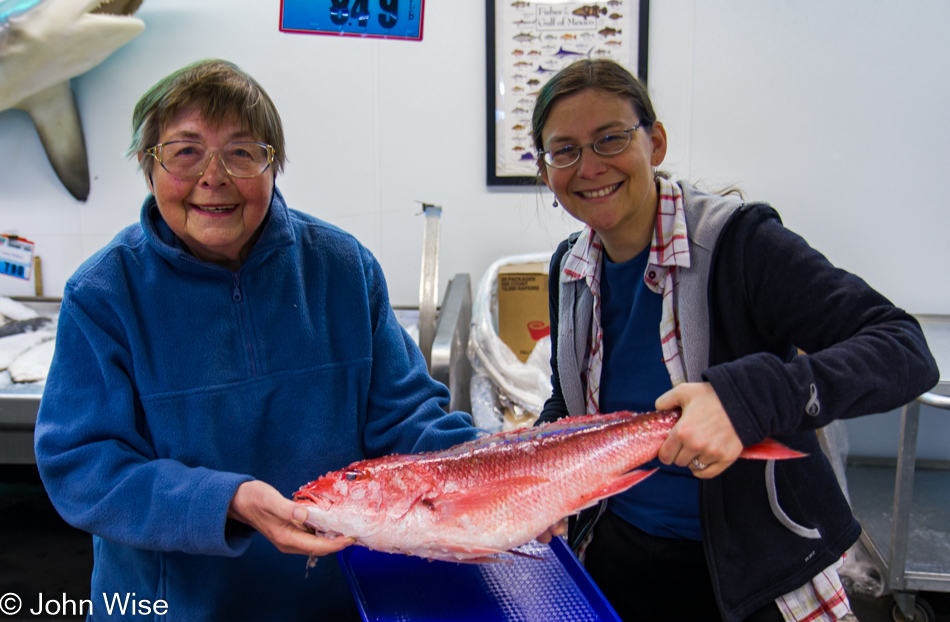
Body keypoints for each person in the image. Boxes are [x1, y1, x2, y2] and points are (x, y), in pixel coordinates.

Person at [33, 59, 483, 621]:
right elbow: (82, 467)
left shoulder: (342, 269)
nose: (214, 177)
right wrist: (227, 502)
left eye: (243, 152)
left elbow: (408, 417)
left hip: (331, 598)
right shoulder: (102, 296)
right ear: (149, 168)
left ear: (275, 167)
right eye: (185, 151)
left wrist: (492, 472)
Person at [532, 59, 939, 622]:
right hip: (615, 555)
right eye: (565, 150)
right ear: (547, 170)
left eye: (610, 139)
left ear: (656, 143)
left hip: (753, 575)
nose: (590, 166)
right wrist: (537, 463)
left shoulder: (738, 246)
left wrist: (743, 400)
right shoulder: (569, 269)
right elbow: (567, 399)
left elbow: (904, 349)